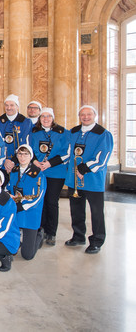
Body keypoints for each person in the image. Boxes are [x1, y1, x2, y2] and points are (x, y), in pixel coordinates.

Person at [64, 105, 113, 254]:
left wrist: (83, 168)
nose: (86, 117)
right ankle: (78, 236)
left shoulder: (103, 134)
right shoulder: (73, 131)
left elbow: (102, 157)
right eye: (82, 115)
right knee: (76, 210)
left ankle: (97, 241)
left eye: (89, 114)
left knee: (96, 212)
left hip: (93, 179)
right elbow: (68, 152)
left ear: (94, 116)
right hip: (75, 180)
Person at [30, 107, 70, 246]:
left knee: (51, 202)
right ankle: (40, 229)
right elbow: (28, 149)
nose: (45, 119)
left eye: (48, 116)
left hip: (55, 172)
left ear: (53, 118)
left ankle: (51, 232)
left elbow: (67, 153)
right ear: (39, 119)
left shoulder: (63, 132)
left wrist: (50, 163)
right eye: (43, 117)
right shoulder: (34, 132)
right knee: (40, 201)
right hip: (38, 172)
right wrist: (34, 161)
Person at [6, 145, 46, 260]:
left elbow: (38, 197)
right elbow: (8, 187)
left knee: (27, 255)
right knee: (12, 246)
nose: (22, 157)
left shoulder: (38, 174)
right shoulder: (14, 171)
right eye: (20, 154)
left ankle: (39, 235)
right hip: (16, 210)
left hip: (30, 213)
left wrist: (21, 206)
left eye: (26, 154)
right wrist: (8, 194)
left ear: (31, 156)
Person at [0, 94, 33, 173]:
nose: (9, 108)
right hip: (1, 163)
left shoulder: (26, 122)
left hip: (19, 162)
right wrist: (4, 160)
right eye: (6, 105)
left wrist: (13, 161)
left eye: (12, 105)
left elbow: (26, 142)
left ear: (17, 107)